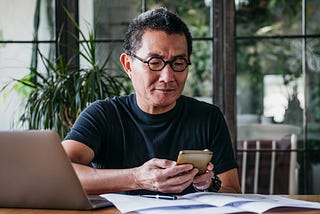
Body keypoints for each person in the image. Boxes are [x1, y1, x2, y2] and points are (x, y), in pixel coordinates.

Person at [62, 7, 241, 195]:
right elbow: (60, 174)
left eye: (178, 63)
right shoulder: (103, 115)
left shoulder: (207, 117)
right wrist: (137, 178)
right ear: (128, 65)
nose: (168, 76)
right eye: (155, 62)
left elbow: (232, 190)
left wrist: (208, 184)